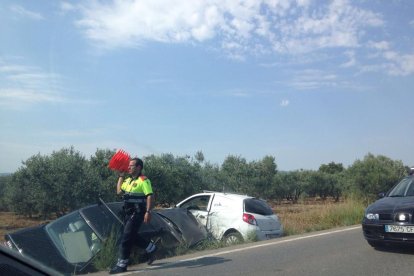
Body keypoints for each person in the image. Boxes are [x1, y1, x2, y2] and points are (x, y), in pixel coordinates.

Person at [110, 157, 157, 274]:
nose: (128, 168)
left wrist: (148, 211)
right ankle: (152, 248)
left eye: (131, 166)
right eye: (129, 166)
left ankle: (122, 265)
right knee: (131, 236)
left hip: (138, 213)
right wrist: (121, 176)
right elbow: (119, 192)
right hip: (128, 213)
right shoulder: (128, 180)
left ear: (138, 167)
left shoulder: (144, 180)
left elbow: (150, 196)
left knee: (126, 238)